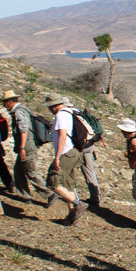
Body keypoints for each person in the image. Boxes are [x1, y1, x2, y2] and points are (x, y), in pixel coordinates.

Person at [1, 90, 53, 206]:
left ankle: (49, 193)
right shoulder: (23, 110)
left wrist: (21, 148)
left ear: (10, 101)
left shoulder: (19, 112)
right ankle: (24, 195)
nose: (4, 105)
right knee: (18, 171)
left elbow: (23, 130)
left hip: (26, 147)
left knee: (30, 172)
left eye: (5, 102)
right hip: (28, 146)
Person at [45, 96, 88, 226]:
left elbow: (62, 136)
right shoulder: (72, 113)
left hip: (67, 152)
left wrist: (57, 157)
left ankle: (78, 205)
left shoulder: (60, 116)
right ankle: (72, 218)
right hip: (76, 152)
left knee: (53, 182)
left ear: (54, 106)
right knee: (68, 184)